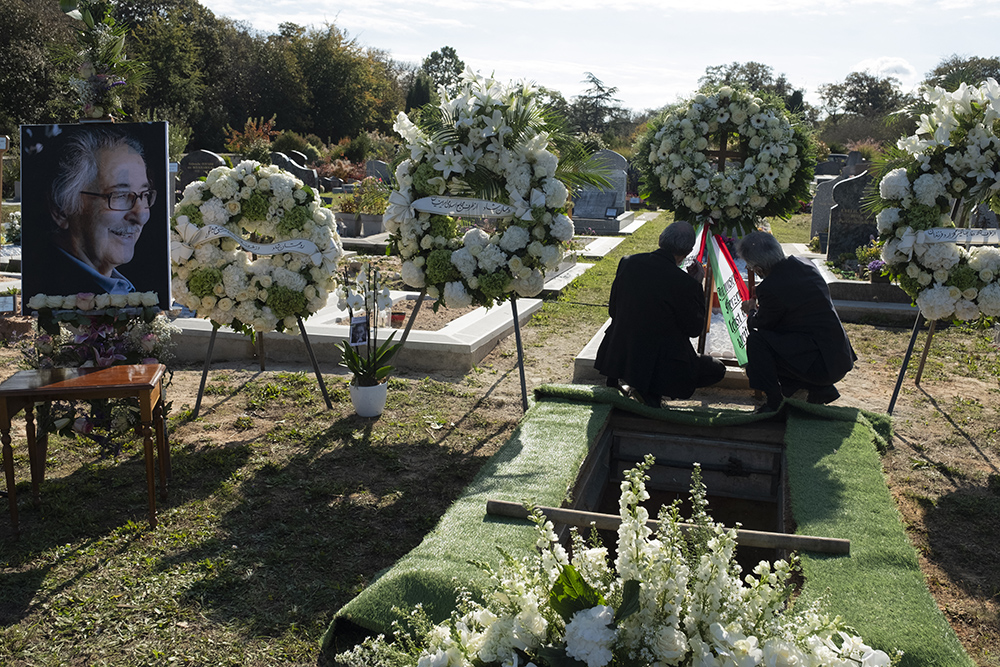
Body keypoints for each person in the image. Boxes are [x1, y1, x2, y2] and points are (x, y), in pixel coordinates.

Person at [594, 221, 727, 406]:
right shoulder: (683, 282)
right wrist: (696, 286)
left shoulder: (628, 263)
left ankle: (625, 381)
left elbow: (613, 310)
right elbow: (694, 328)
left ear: (660, 240)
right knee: (716, 369)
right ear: (687, 252)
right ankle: (652, 390)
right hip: (659, 361)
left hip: (621, 352)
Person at [738, 231, 856, 413]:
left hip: (821, 365)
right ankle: (816, 390)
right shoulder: (804, 264)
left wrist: (751, 309)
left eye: (751, 268)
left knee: (757, 342)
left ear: (759, 269)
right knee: (779, 338)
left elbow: (760, 324)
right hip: (838, 357)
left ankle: (774, 401)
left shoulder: (771, 288)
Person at [34, 129, 154, 295]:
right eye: (119, 195)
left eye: (144, 195)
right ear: (60, 210)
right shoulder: (49, 287)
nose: (141, 215)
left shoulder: (124, 286)